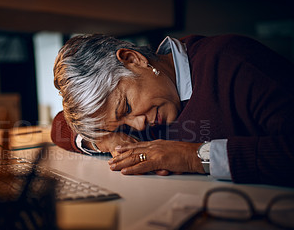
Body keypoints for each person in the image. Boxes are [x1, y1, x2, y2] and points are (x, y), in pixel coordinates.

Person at [51, 33, 294, 187]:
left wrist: (194, 157)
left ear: (133, 59)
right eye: (122, 123)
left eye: (126, 107)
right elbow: (59, 125)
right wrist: (106, 138)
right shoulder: (142, 107)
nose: (137, 125)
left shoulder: (233, 61)